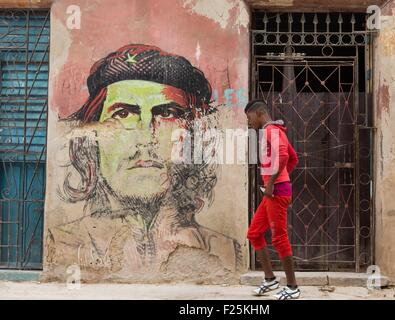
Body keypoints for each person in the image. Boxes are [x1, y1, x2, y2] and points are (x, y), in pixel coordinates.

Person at [45, 44, 243, 280]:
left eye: (167, 114)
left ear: (192, 138)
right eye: (123, 114)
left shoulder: (223, 251)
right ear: (92, 139)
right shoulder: (64, 243)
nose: (145, 137)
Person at [245, 99, 300, 300]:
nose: (249, 122)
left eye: (249, 117)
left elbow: (285, 156)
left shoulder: (270, 131)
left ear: (259, 113)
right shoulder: (276, 130)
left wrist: (272, 184)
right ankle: (270, 279)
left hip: (276, 192)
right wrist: (281, 179)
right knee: (254, 233)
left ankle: (293, 287)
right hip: (276, 190)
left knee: (279, 238)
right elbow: (294, 159)